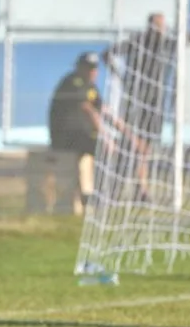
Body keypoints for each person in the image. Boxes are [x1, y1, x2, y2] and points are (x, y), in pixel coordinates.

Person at [102, 11, 190, 201]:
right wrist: (119, 75)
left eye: (162, 25)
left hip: (155, 102)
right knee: (132, 144)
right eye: (158, 25)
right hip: (136, 100)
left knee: (145, 147)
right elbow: (107, 54)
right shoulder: (137, 41)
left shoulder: (164, 43)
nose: (161, 29)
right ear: (150, 25)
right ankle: (122, 188)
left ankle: (140, 188)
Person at [48, 52, 133, 214]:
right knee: (104, 149)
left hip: (81, 135)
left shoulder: (90, 86)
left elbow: (104, 110)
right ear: (79, 68)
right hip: (66, 138)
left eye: (95, 69)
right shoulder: (73, 82)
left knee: (121, 150)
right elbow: (88, 110)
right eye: (89, 68)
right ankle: (98, 196)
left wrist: (129, 135)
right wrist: (106, 138)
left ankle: (104, 194)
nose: (93, 72)